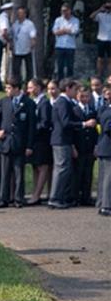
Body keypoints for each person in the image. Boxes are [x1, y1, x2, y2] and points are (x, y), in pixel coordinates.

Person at [49, 80, 95, 209]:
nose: (76, 93)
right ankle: (55, 197)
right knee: (61, 169)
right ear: (68, 89)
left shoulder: (65, 102)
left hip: (63, 140)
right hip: (61, 140)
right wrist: (83, 124)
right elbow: (65, 122)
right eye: (75, 90)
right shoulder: (63, 102)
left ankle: (60, 196)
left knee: (63, 169)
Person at [0, 77, 35, 208]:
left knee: (18, 173)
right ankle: (3, 198)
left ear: (16, 89)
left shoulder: (28, 103)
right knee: (5, 172)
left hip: (20, 142)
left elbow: (31, 126)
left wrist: (29, 145)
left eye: (9, 88)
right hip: (6, 141)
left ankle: (18, 198)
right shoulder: (4, 102)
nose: (7, 90)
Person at [27, 78, 53, 204]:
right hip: (34, 140)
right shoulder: (34, 101)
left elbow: (44, 122)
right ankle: (35, 192)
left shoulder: (44, 103)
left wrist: (32, 129)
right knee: (35, 166)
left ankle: (37, 194)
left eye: (31, 87)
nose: (29, 90)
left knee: (43, 167)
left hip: (42, 140)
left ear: (38, 87)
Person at [74, 86, 99, 206]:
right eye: (82, 96)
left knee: (88, 172)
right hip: (79, 146)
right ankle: (76, 197)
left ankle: (86, 196)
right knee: (78, 172)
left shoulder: (93, 111)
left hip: (89, 146)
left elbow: (95, 131)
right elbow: (72, 128)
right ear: (77, 96)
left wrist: (96, 145)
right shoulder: (74, 110)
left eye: (87, 96)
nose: (84, 98)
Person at [52, 3, 80, 80]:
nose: (63, 12)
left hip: (70, 46)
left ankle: (70, 83)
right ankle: (60, 82)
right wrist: (66, 31)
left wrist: (63, 31)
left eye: (65, 10)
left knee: (70, 66)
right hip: (59, 46)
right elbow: (55, 32)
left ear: (69, 11)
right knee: (60, 66)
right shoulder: (58, 20)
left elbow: (75, 31)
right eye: (62, 11)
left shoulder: (75, 20)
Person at [96, 85, 111, 216]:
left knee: (105, 178)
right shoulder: (107, 111)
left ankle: (102, 203)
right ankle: (106, 205)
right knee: (108, 178)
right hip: (108, 148)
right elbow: (108, 128)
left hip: (105, 147)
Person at [11, 7, 37, 83]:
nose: (19, 15)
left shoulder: (29, 24)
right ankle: (17, 83)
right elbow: (12, 35)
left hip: (27, 49)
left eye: (21, 13)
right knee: (16, 69)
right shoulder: (15, 24)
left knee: (29, 68)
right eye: (18, 13)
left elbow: (33, 35)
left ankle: (29, 83)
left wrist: (33, 42)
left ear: (25, 14)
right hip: (17, 49)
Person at [90, 2, 111, 78]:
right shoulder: (100, 15)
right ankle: (99, 74)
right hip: (101, 38)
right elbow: (91, 17)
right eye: (107, 7)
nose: (108, 9)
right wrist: (100, 9)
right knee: (100, 58)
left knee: (110, 59)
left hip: (110, 39)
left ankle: (109, 76)